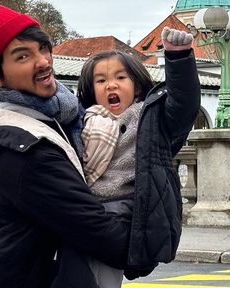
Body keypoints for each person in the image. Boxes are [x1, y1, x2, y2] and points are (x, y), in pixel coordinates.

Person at [0, 4, 199, 287]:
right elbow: (95, 230)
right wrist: (148, 242)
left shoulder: (52, 111)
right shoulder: (24, 148)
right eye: (23, 56)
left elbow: (179, 114)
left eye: (43, 48)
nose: (43, 61)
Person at [66, 27, 199, 287]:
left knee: (101, 277)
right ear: (91, 90)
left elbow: (184, 106)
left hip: (123, 210)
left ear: (136, 86)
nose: (111, 85)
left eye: (120, 77)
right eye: (101, 80)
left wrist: (179, 58)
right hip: (85, 209)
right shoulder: (83, 120)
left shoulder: (149, 117)